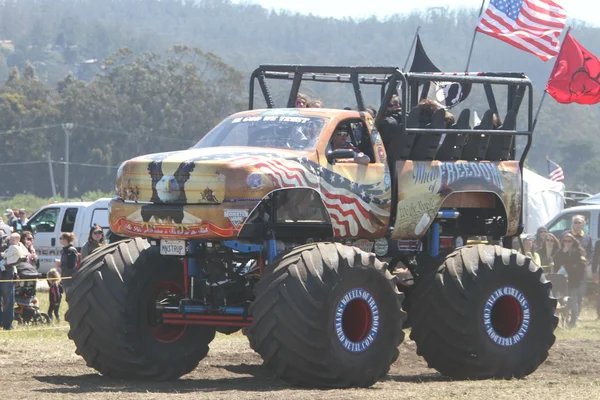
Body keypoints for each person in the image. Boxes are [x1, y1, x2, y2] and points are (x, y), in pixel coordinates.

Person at [553, 233, 587, 328]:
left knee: (573, 302)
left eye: (569, 241)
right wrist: (564, 252)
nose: (567, 243)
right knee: (562, 301)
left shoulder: (578, 252)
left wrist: (573, 267)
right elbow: (556, 262)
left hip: (574, 281)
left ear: (573, 242)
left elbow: (580, 266)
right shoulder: (560, 251)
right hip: (562, 281)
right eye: (565, 241)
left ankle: (573, 322)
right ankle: (564, 320)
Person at [0, 233, 29, 330]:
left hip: (7, 273)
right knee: (7, 300)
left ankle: (7, 324)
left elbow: (18, 257)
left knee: (8, 300)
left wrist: (15, 273)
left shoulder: (7, 239)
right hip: (6, 271)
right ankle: (3, 323)